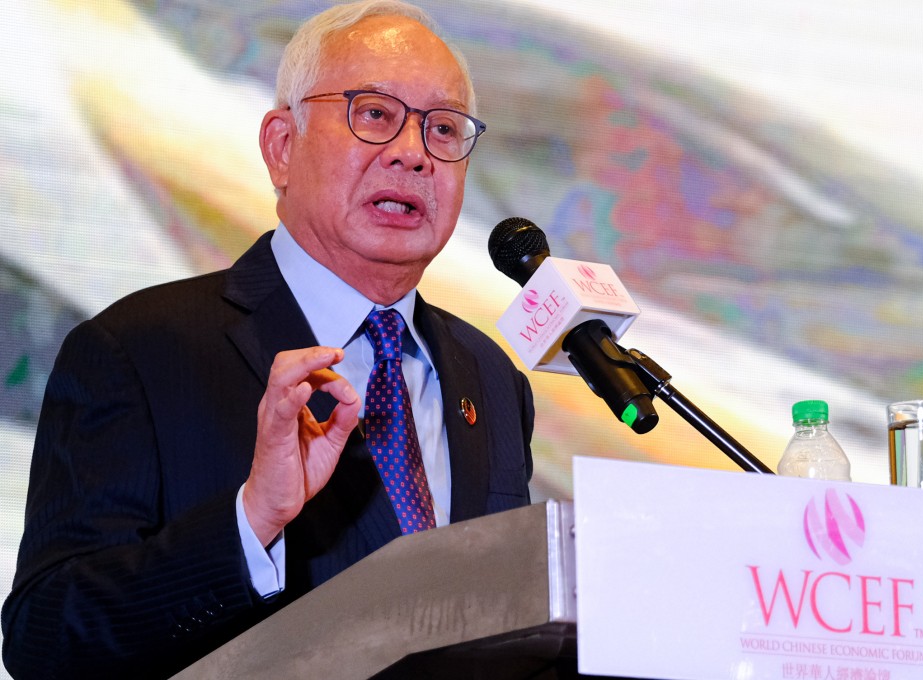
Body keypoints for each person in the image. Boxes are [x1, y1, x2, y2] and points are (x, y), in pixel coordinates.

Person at [1, 1, 534, 677]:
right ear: (282, 146)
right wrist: (251, 523)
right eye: (375, 114)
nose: (413, 153)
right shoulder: (137, 350)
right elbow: (45, 639)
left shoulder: (488, 375)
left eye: (444, 128)